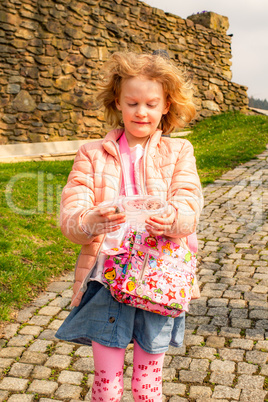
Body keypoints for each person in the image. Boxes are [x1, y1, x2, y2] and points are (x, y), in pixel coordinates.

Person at [56, 51, 203, 401]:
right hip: (106, 279)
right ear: (117, 103)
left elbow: (189, 204)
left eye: (151, 104)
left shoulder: (179, 151)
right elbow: (70, 216)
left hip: (160, 279)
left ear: (166, 105)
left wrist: (173, 219)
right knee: (106, 382)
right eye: (132, 103)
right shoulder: (91, 154)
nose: (141, 112)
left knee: (149, 382)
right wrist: (90, 219)